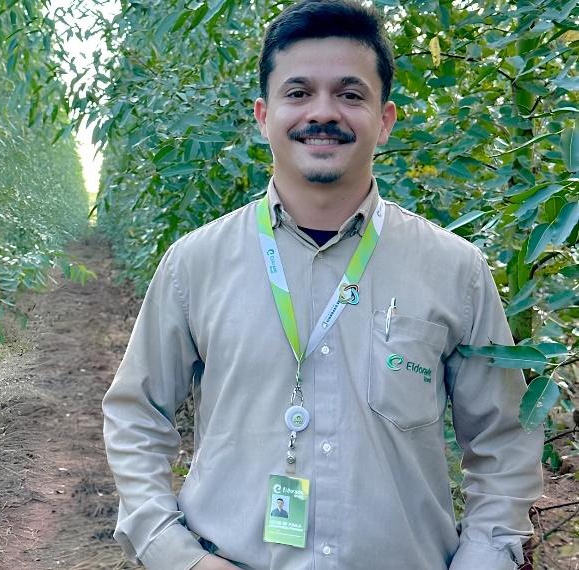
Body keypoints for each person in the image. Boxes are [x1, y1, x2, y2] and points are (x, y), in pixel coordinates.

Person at [101, 1, 543, 569]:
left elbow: (504, 439)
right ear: (264, 115)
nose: (323, 113)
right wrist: (172, 552)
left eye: (350, 94)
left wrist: (484, 557)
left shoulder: (456, 271)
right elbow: (138, 412)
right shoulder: (195, 264)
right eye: (298, 92)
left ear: (385, 119)